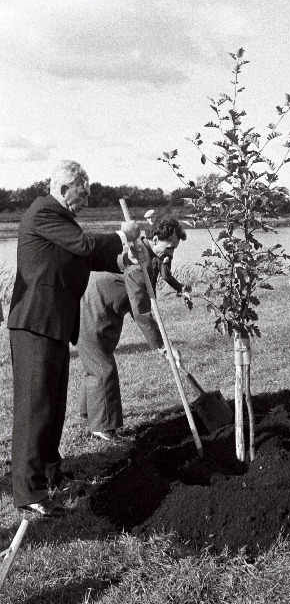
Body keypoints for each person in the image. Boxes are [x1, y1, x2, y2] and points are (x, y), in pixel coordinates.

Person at [7, 160, 140, 517]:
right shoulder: (43, 212)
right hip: (35, 324)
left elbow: (84, 256)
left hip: (55, 324)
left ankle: (51, 473)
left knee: (53, 405)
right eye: (83, 194)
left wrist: (124, 256)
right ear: (65, 189)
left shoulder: (61, 218)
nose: (86, 201)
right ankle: (29, 493)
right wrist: (124, 235)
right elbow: (82, 245)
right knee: (35, 409)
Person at [78, 214, 188, 442]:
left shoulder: (153, 254)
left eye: (175, 249)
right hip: (93, 309)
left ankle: (89, 415)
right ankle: (102, 428)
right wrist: (163, 347)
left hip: (109, 310)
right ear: (155, 238)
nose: (171, 254)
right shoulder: (140, 260)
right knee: (102, 367)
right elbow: (141, 311)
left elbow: (152, 293)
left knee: (97, 362)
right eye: (169, 247)